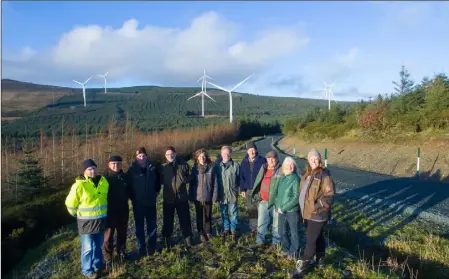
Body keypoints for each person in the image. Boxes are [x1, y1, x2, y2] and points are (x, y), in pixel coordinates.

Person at [65, 159, 109, 279]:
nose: (92, 171)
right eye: (89, 169)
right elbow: (70, 203)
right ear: (84, 171)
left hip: (100, 221)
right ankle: (87, 271)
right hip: (86, 223)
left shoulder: (103, 181)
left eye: (94, 168)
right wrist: (77, 215)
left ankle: (98, 266)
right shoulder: (79, 185)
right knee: (87, 248)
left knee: (98, 246)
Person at [296, 149, 335, 274]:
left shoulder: (324, 175)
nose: (313, 160)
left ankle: (305, 260)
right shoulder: (306, 174)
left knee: (311, 238)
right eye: (311, 158)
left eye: (316, 158)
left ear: (320, 160)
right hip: (307, 213)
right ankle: (321, 259)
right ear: (308, 160)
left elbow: (329, 195)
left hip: (318, 213)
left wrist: (316, 206)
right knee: (318, 237)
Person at [127, 147, 161, 257]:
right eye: (139, 156)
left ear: (146, 156)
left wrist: (156, 193)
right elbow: (129, 187)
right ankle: (141, 247)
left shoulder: (152, 167)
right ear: (136, 158)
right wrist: (134, 198)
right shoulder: (132, 170)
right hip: (138, 204)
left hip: (151, 202)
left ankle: (152, 247)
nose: (142, 158)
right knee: (139, 227)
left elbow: (158, 182)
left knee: (152, 225)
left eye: (143, 156)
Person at [160, 146, 193, 248]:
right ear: (165, 156)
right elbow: (159, 181)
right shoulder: (163, 167)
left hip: (181, 197)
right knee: (168, 220)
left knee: (185, 219)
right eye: (168, 154)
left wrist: (185, 179)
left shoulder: (183, 164)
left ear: (175, 154)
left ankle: (188, 238)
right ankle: (167, 239)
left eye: (172, 153)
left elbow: (190, 176)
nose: (170, 156)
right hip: (168, 198)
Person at [250, 151, 282, 247]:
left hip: (276, 202)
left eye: (273, 158)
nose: (271, 160)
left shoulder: (281, 170)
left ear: (277, 159)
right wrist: (257, 194)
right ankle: (260, 241)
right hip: (263, 201)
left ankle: (276, 243)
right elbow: (258, 181)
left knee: (276, 225)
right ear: (266, 159)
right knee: (261, 223)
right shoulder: (263, 168)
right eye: (269, 158)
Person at [103, 155, 131, 263]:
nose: (116, 165)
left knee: (122, 232)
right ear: (109, 165)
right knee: (108, 235)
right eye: (113, 163)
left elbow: (130, 192)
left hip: (123, 209)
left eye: (118, 163)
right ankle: (108, 256)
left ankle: (121, 252)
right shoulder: (104, 178)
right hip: (109, 211)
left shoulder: (125, 177)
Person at [189, 149, 218, 242]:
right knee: (199, 217)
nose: (202, 157)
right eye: (200, 156)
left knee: (208, 216)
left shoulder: (211, 168)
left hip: (208, 197)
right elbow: (192, 184)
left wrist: (214, 196)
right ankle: (201, 232)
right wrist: (191, 196)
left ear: (206, 157)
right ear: (197, 158)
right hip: (198, 198)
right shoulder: (194, 169)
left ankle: (208, 232)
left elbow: (215, 183)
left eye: (204, 156)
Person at [274, 156, 300, 259]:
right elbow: (278, 194)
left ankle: (294, 252)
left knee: (294, 232)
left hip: (292, 211)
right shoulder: (282, 178)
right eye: (288, 165)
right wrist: (277, 206)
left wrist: (283, 207)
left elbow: (296, 197)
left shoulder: (296, 179)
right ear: (284, 166)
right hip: (281, 210)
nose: (290, 166)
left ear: (294, 166)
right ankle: (286, 249)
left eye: (292, 164)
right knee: (281, 231)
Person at [239, 142, 267, 234]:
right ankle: (253, 229)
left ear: (256, 150)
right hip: (249, 190)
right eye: (250, 150)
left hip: (260, 189)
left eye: (253, 150)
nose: (252, 152)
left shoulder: (263, 160)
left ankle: (261, 229)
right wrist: (242, 189)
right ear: (247, 151)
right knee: (252, 209)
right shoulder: (244, 162)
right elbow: (241, 177)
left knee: (261, 210)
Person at [215, 145, 240, 242]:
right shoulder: (217, 166)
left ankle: (233, 229)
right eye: (224, 153)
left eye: (228, 153)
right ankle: (226, 229)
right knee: (224, 213)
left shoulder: (235, 165)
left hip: (232, 194)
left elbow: (239, 179)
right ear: (221, 154)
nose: (226, 155)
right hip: (222, 194)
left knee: (233, 213)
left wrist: (240, 190)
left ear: (230, 154)